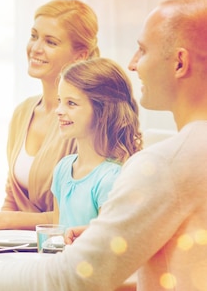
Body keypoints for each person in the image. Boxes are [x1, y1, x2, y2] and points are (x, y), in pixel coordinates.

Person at [0, 0, 207, 290]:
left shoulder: (163, 166)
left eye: (143, 50)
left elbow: (73, 277)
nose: (133, 64)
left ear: (179, 63)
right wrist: (99, 238)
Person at [0, 0, 100, 234]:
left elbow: (80, 215)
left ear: (79, 56)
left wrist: (3, 222)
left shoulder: (89, 119)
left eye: (50, 42)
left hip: (62, 252)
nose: (35, 48)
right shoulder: (24, 112)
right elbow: (12, 198)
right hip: (21, 247)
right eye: (34, 36)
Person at [52, 57, 142, 228]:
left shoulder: (112, 178)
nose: (59, 110)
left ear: (102, 111)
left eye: (71, 103)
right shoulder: (62, 169)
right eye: (59, 101)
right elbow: (57, 236)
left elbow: (105, 247)